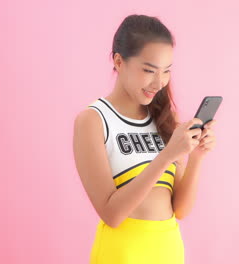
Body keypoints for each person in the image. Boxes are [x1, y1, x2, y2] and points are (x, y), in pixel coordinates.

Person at [72, 14, 217, 263]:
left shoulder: (162, 118)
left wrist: (196, 157)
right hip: (122, 254)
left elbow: (180, 209)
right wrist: (167, 156)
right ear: (119, 61)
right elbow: (112, 214)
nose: (159, 82)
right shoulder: (93, 121)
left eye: (166, 71)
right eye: (149, 70)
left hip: (168, 251)